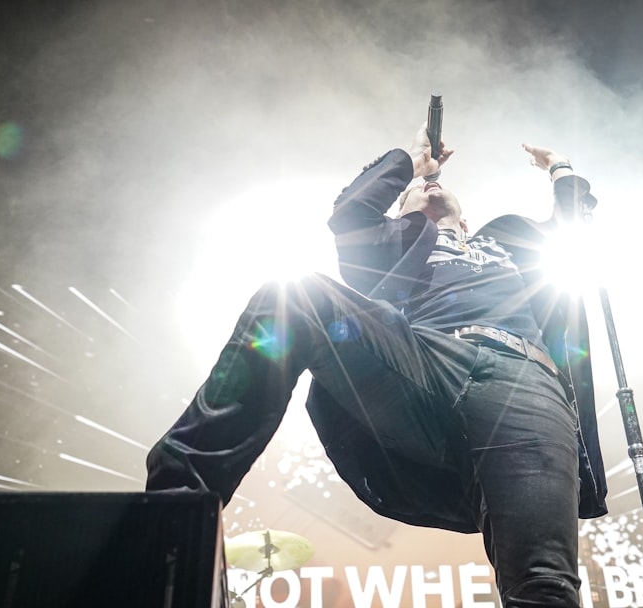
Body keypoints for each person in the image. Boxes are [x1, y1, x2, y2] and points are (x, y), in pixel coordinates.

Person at [146, 122, 609, 607]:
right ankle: (177, 503)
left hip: (524, 377)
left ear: (467, 220)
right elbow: (351, 211)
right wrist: (412, 163)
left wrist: (560, 167)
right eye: (412, 194)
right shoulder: (389, 244)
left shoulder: (510, 245)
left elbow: (571, 223)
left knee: (542, 583)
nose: (426, 191)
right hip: (422, 360)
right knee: (295, 297)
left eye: (431, 186)